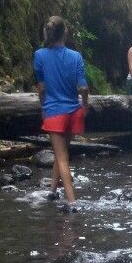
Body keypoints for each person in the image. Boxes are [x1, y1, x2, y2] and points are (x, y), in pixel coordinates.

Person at [34, 16, 89, 210]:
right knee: (62, 152)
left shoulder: (40, 55)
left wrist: (43, 108)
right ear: (65, 32)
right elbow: (83, 88)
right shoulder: (76, 57)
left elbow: (41, 88)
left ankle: (72, 202)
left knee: (62, 156)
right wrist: (85, 106)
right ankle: (52, 191)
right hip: (74, 112)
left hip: (54, 112)